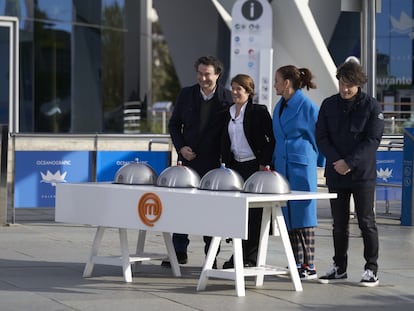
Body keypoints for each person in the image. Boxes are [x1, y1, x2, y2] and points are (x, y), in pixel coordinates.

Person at [315, 59, 384, 287]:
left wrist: (349, 163)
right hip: (336, 173)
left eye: (349, 85)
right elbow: (321, 137)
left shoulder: (372, 106)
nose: (345, 89)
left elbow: (372, 140)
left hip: (362, 175)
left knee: (366, 221)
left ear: (358, 84)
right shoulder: (328, 105)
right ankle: (339, 267)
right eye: (342, 83)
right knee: (339, 224)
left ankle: (371, 269)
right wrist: (337, 161)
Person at [165, 55, 233, 268]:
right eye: (200, 73)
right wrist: (181, 148)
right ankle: (178, 251)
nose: (203, 78)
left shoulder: (228, 98)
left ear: (218, 75)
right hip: (186, 161)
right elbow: (174, 125)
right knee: (180, 207)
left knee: (211, 211)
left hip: (213, 163)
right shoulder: (186, 94)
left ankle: (211, 255)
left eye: (207, 74)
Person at [272, 65, 325, 280]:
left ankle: (309, 264)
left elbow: (319, 137)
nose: (274, 84)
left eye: (277, 80)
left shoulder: (307, 106)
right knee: (289, 215)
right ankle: (295, 262)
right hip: (283, 165)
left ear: (286, 83)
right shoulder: (280, 105)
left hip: (301, 165)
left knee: (304, 213)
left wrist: (317, 162)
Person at [220, 74, 275, 269]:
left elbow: (271, 140)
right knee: (237, 214)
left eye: (239, 89)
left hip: (255, 166)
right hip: (235, 167)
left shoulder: (259, 112)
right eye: (233, 88)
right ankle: (238, 254)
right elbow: (225, 140)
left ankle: (250, 258)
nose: (235, 92)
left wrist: (264, 162)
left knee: (254, 215)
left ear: (249, 92)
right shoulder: (227, 111)